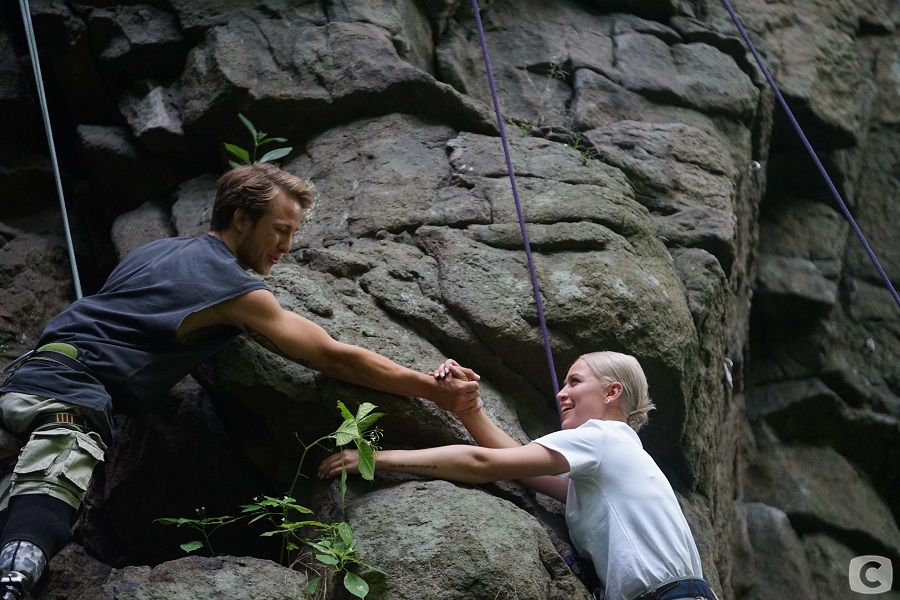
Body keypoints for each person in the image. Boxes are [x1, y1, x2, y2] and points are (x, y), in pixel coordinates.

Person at [0, 162, 480, 600]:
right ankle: (13, 585)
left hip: (24, 377)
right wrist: (431, 388)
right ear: (240, 219)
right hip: (70, 393)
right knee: (51, 486)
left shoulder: (155, 252)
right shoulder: (234, 288)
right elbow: (336, 359)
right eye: (280, 230)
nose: (287, 247)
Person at [319, 351, 716, 600]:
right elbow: (520, 466)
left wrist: (377, 459)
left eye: (575, 382)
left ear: (612, 393)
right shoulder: (615, 459)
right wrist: (467, 407)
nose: (561, 393)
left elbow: (483, 465)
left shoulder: (604, 437)